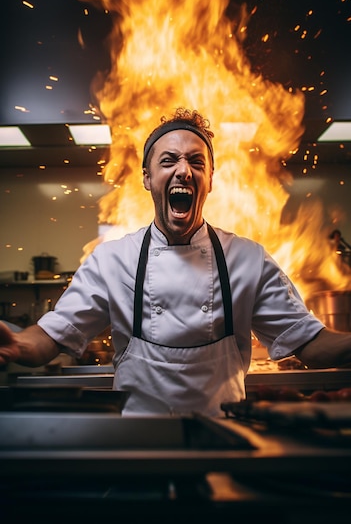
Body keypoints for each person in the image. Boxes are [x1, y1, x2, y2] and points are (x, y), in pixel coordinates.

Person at [1, 107, 351, 416]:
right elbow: (52, 335)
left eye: (197, 162)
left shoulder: (248, 259)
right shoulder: (112, 260)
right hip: (137, 447)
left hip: (223, 444)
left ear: (209, 180)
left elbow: (310, 342)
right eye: (168, 161)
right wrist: (18, 346)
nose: (184, 170)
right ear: (147, 179)